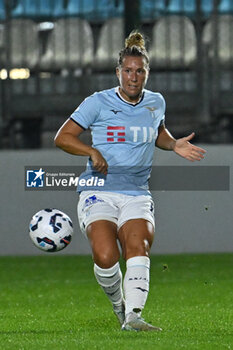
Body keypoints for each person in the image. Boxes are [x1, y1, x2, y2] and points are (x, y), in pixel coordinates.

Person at [54, 31, 206, 332]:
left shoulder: (156, 102)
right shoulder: (97, 102)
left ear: (147, 73)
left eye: (139, 71)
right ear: (118, 73)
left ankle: (134, 316)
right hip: (99, 191)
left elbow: (157, 131)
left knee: (138, 244)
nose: (133, 77)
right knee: (106, 254)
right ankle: (118, 306)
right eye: (127, 71)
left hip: (136, 192)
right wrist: (90, 150)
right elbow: (62, 138)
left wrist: (173, 143)